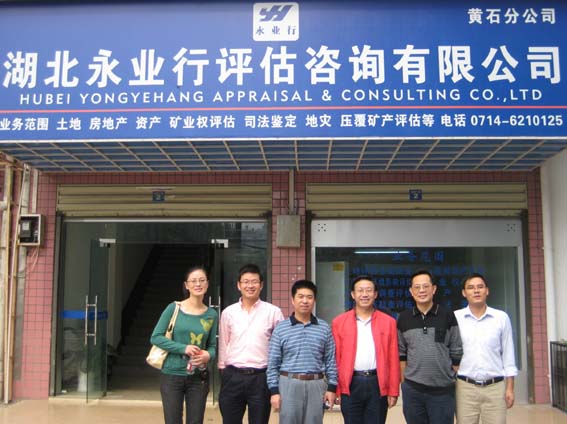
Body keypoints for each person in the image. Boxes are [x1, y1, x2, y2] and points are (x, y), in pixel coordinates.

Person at [150, 266, 218, 424]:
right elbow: (156, 337)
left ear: (207, 284)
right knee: (172, 420)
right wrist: (183, 348)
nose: (198, 284)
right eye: (193, 281)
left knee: (196, 421)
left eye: (202, 280)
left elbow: (212, 346)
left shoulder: (212, 315)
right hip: (172, 375)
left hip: (198, 377)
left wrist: (208, 355)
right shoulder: (174, 308)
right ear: (186, 285)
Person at [218, 263, 284, 424]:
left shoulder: (273, 312)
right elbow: (224, 343)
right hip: (232, 376)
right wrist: (223, 371)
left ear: (261, 285)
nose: (250, 286)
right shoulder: (228, 312)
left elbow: (280, 346)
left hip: (261, 378)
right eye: (246, 282)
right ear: (238, 285)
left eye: (254, 282)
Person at [397, 269, 463, 424]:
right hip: (413, 390)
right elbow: (401, 352)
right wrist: (404, 382)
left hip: (442, 391)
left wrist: (449, 378)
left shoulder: (447, 315)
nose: (421, 290)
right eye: (417, 287)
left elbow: (456, 349)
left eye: (426, 286)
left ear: (434, 289)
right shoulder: (404, 317)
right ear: (411, 291)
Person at [267, 279, 338, 424]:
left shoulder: (324, 328)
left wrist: (332, 388)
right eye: (300, 296)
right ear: (292, 300)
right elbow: (273, 364)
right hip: (289, 384)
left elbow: (330, 361)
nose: (305, 301)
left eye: (309, 297)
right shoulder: (281, 329)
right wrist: (274, 391)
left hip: (316, 384)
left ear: (314, 300)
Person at [332, 275, 400, 424]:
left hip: (377, 382)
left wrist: (393, 390)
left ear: (375, 294)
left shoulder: (388, 322)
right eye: (360, 290)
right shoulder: (339, 322)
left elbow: (393, 358)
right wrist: (337, 389)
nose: (364, 294)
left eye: (369, 290)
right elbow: (336, 359)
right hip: (351, 383)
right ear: (353, 294)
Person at [454, 273, 518, 424]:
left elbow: (508, 355)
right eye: (471, 288)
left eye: (480, 287)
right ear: (464, 293)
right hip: (465, 388)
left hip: (495, 388)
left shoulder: (501, 318)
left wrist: (510, 388)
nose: (476, 291)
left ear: (487, 290)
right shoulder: (456, 318)